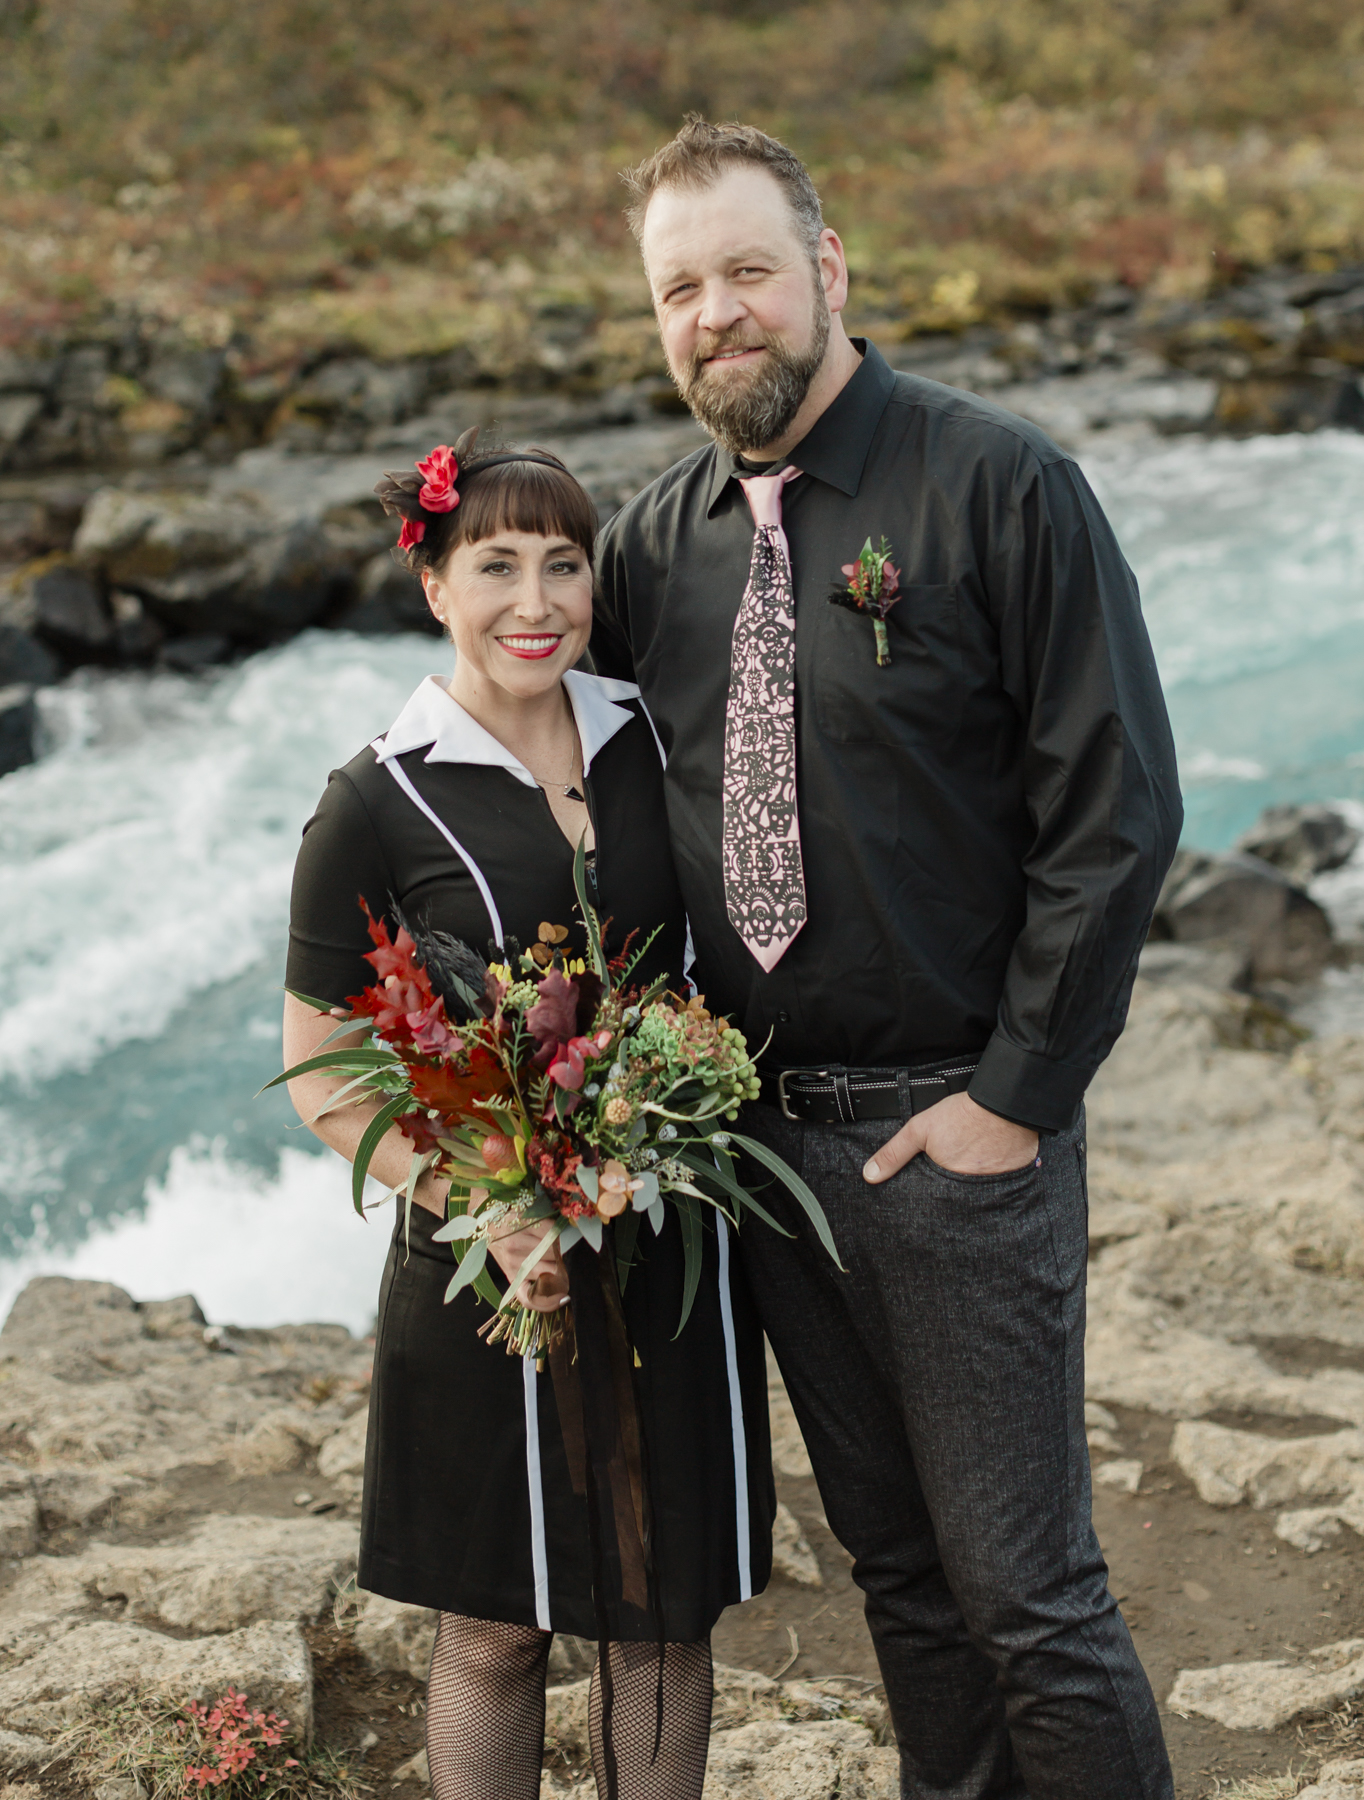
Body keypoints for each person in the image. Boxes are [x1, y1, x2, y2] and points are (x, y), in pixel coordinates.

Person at [590, 119, 1184, 1800]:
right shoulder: (652, 548)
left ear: (829, 271)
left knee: (1030, 1597)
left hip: (960, 1139)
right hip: (765, 1152)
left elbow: (1118, 813)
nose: (718, 314)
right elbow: (588, 799)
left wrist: (1015, 1100)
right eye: (680, 288)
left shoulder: (1001, 484)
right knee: (905, 1591)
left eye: (749, 271)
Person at [283, 439, 773, 1800]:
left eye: (563, 562)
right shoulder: (375, 799)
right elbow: (321, 1069)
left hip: (667, 1243)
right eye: (494, 565)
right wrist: (487, 1208)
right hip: (485, 1254)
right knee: (498, 1625)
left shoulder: (656, 731)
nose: (534, 599)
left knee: (664, 1620)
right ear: (434, 584)